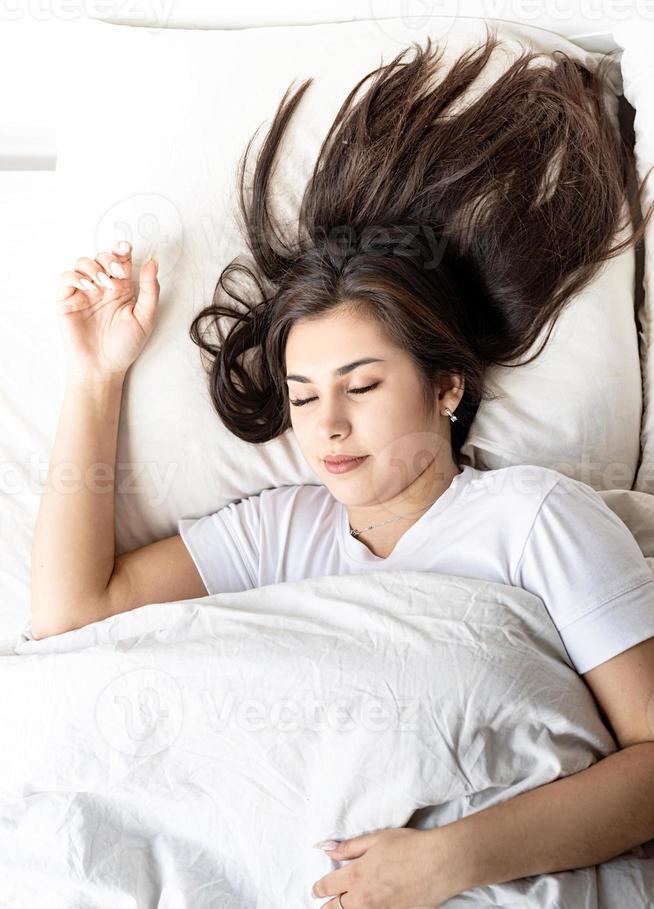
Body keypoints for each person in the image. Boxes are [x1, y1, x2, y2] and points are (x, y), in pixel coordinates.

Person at [31, 26, 654, 681]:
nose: (326, 424)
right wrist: (96, 377)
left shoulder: (533, 519)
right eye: (303, 394)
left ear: (446, 388)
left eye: (360, 387)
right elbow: (72, 618)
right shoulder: (281, 535)